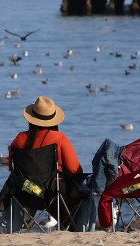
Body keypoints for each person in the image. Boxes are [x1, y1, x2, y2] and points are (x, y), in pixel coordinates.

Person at [5, 96, 94, 231]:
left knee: (18, 184)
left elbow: (11, 168)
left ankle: (15, 230)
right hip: (53, 192)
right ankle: (81, 231)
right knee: (87, 194)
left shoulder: (18, 138)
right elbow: (75, 170)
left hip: (26, 191)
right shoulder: (59, 138)